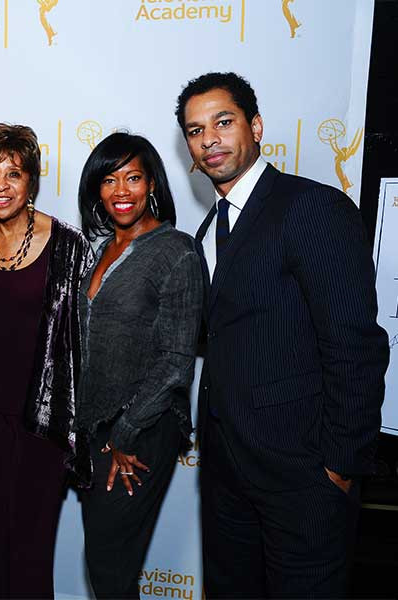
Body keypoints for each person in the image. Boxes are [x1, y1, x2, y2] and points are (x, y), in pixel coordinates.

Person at [176, 72, 389, 597]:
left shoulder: (312, 208)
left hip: (302, 477)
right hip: (227, 473)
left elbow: (355, 347)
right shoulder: (209, 228)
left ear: (257, 126)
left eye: (223, 122)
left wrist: (338, 468)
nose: (210, 141)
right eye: (196, 131)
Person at [0, 123, 94, 598]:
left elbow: (85, 339)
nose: (1, 186)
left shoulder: (70, 247)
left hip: (43, 423)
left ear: (32, 179)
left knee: (32, 551)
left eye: (13, 173)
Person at [75, 132, 204, 597]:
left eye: (133, 177)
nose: (121, 190)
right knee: (108, 562)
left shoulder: (177, 251)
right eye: (109, 180)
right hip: (97, 428)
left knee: (110, 563)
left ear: (152, 183)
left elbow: (176, 361)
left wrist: (126, 433)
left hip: (141, 432)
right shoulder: (100, 250)